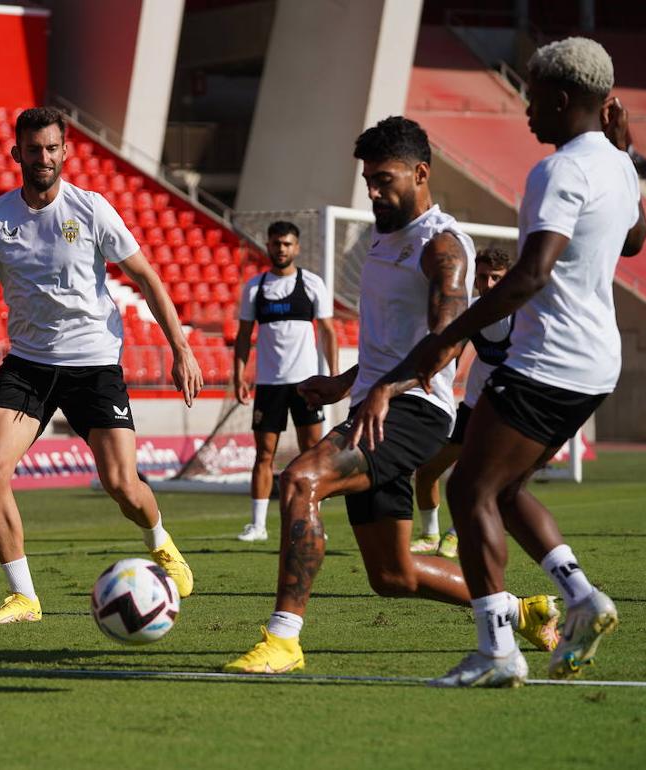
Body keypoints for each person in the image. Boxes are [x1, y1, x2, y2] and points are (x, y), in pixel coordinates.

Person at [222, 116, 558, 674]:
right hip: (376, 405)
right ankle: (519, 611)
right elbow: (390, 345)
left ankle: (283, 640)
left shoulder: (442, 246)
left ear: (420, 172)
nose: (374, 191)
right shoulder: (384, 239)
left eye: (384, 179)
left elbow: (445, 341)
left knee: (301, 479)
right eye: (368, 180)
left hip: (415, 410)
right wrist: (346, 382)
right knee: (392, 575)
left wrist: (387, 387)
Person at [413, 38, 646, 687]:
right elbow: (634, 238)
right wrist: (627, 157)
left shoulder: (559, 171)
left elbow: (528, 276)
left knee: (467, 489)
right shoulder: (619, 165)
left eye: (534, 96)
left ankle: (497, 651)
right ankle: (582, 597)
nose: (526, 110)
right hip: (596, 363)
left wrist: (446, 338)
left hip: (552, 359)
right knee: (505, 491)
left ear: (564, 99)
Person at [0, 107, 204, 624]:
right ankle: (24, 596)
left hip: (94, 362)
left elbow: (145, 276)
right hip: (29, 366)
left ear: (65, 152)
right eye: (34, 149)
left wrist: (180, 348)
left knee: (122, 484)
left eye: (52, 148)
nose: (44, 158)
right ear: (17, 154)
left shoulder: (92, 210)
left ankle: (159, 540)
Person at [232, 221, 337, 542]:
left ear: (297, 247)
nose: (282, 249)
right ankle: (258, 525)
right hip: (268, 385)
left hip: (307, 385)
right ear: (268, 245)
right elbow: (243, 336)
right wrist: (239, 374)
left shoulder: (313, 284)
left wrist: (332, 378)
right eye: (276, 243)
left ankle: (312, 519)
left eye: (287, 244)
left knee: (312, 453)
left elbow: (328, 332)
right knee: (264, 454)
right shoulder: (255, 288)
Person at [410, 246, 515, 559]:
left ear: (508, 279)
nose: (490, 284)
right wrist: (425, 370)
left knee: (476, 478)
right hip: (473, 408)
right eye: (483, 277)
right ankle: (430, 535)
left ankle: (456, 534)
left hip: (510, 411)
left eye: (497, 278)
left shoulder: (524, 314)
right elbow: (452, 346)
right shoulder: (472, 310)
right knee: (428, 471)